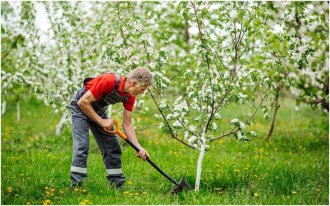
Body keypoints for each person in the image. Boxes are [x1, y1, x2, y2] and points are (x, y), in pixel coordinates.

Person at [69, 67, 153, 189]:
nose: (143, 92)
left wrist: (138, 148)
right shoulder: (109, 81)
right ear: (133, 83)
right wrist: (101, 121)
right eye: (142, 89)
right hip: (80, 107)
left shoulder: (130, 95)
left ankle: (117, 186)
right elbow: (82, 102)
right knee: (82, 145)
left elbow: (127, 124)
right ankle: (77, 186)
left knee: (113, 146)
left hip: (98, 110)